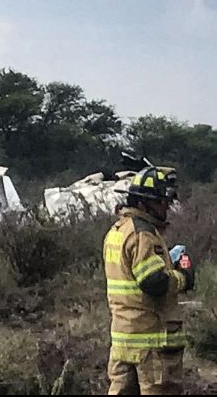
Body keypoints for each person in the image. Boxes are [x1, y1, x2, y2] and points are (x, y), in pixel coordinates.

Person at [104, 166, 195, 395]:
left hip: (124, 340)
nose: (166, 207)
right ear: (143, 203)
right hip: (151, 343)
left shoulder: (117, 231)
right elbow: (154, 283)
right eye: (161, 202)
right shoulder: (143, 233)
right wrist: (183, 277)